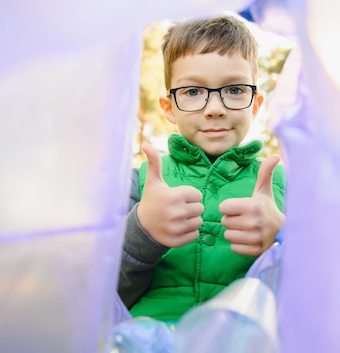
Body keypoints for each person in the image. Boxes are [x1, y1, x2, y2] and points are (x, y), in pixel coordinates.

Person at [118, 14, 286, 322]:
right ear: (168, 108)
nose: (215, 109)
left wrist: (281, 240)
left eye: (234, 90)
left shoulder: (285, 188)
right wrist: (142, 231)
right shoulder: (137, 184)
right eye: (193, 92)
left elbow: (319, 303)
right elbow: (101, 298)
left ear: (255, 104)